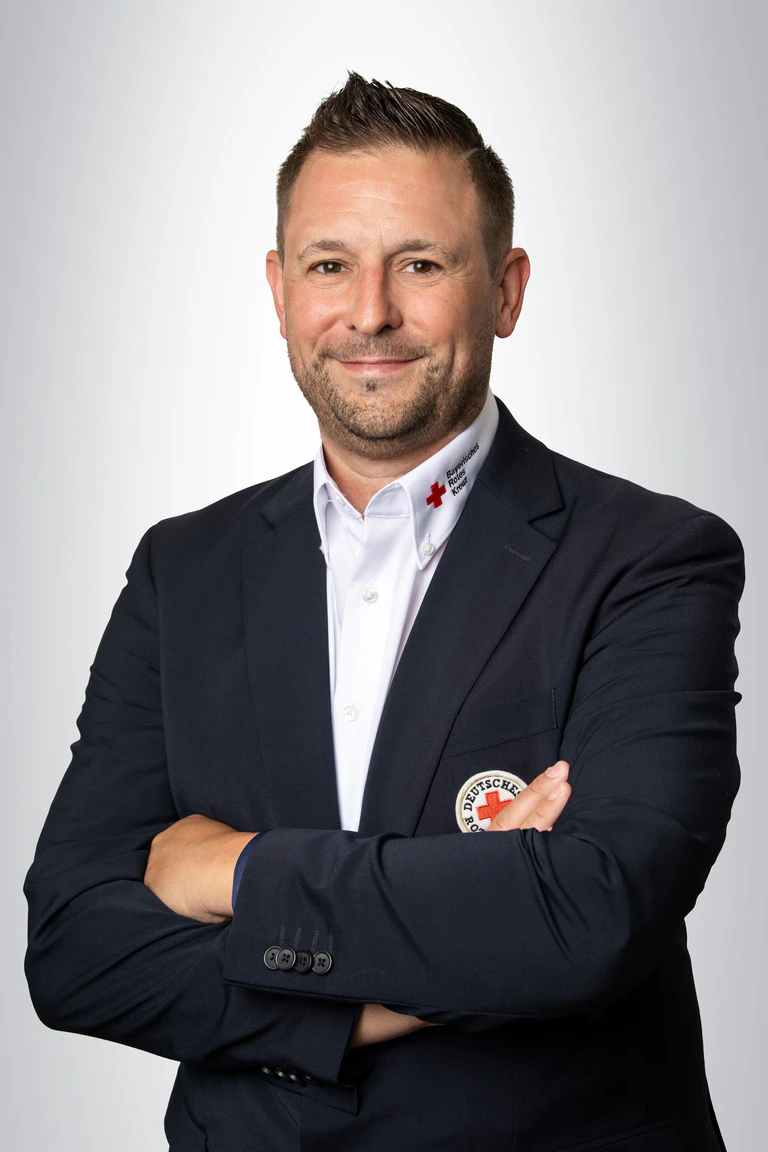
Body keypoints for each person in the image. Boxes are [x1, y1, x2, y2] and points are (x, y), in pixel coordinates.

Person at [24, 72, 744, 1152]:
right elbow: (76, 948)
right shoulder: (184, 569)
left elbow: (589, 919)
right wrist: (402, 983)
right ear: (279, 291)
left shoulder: (652, 559)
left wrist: (235, 868)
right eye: (329, 266)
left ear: (506, 291)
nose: (369, 312)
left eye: (421, 264)